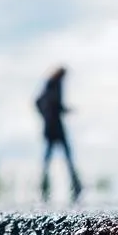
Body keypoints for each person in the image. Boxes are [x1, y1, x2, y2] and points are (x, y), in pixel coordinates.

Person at [35, 66, 82, 203]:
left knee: (50, 158)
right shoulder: (54, 85)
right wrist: (51, 114)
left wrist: (46, 115)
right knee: (65, 156)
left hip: (51, 126)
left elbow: (41, 103)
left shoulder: (49, 86)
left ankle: (45, 185)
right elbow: (53, 104)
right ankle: (73, 184)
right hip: (54, 127)